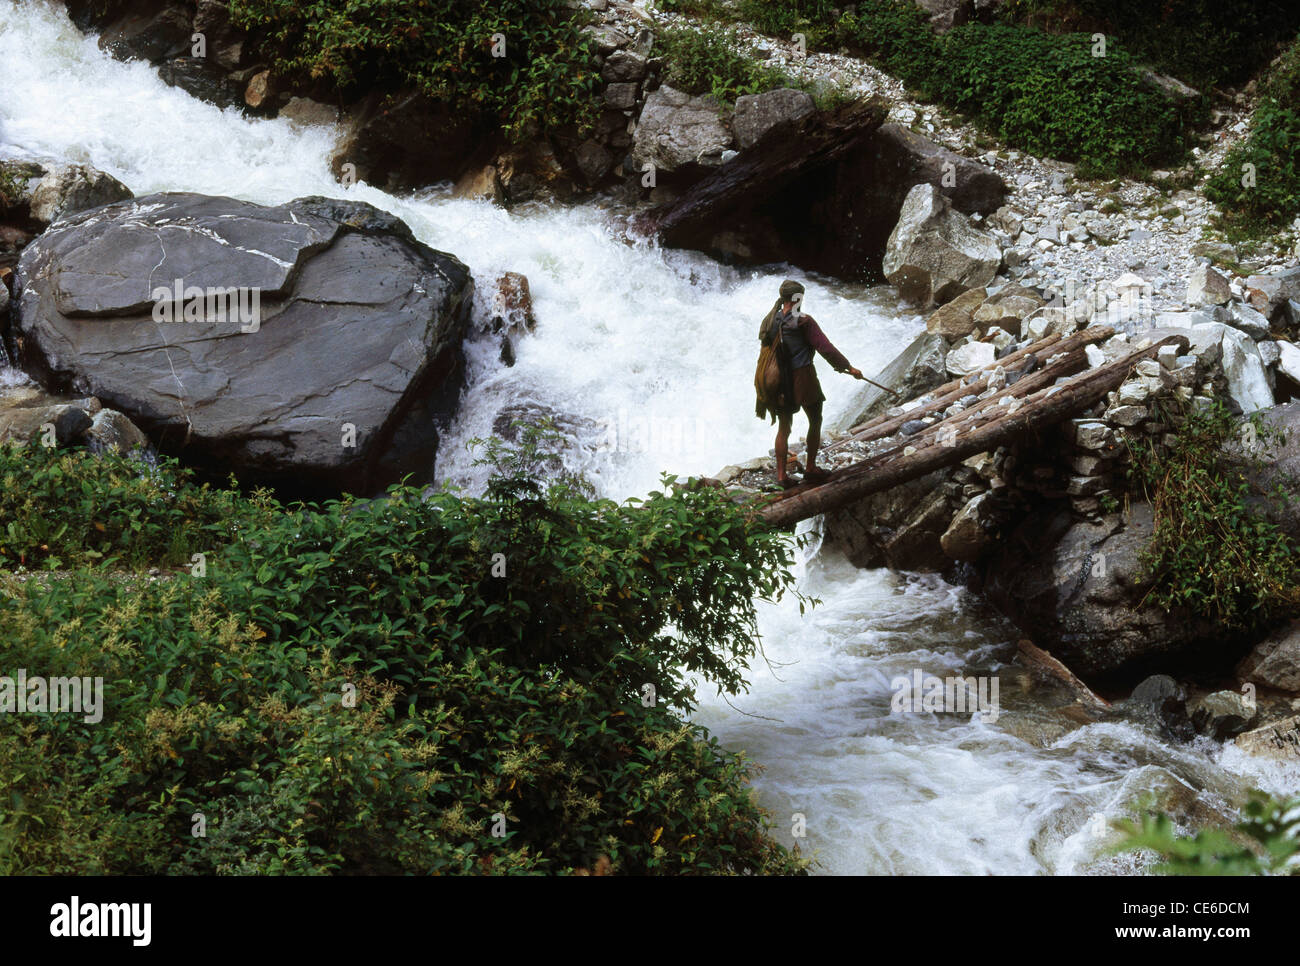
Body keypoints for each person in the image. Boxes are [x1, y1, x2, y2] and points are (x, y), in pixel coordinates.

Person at [755, 280, 862, 488]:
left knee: (784, 426)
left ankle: (781, 476)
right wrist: (848, 368)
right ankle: (811, 468)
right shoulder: (804, 321)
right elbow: (826, 349)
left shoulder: (771, 321)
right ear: (797, 298)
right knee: (815, 418)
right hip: (802, 377)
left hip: (779, 382)